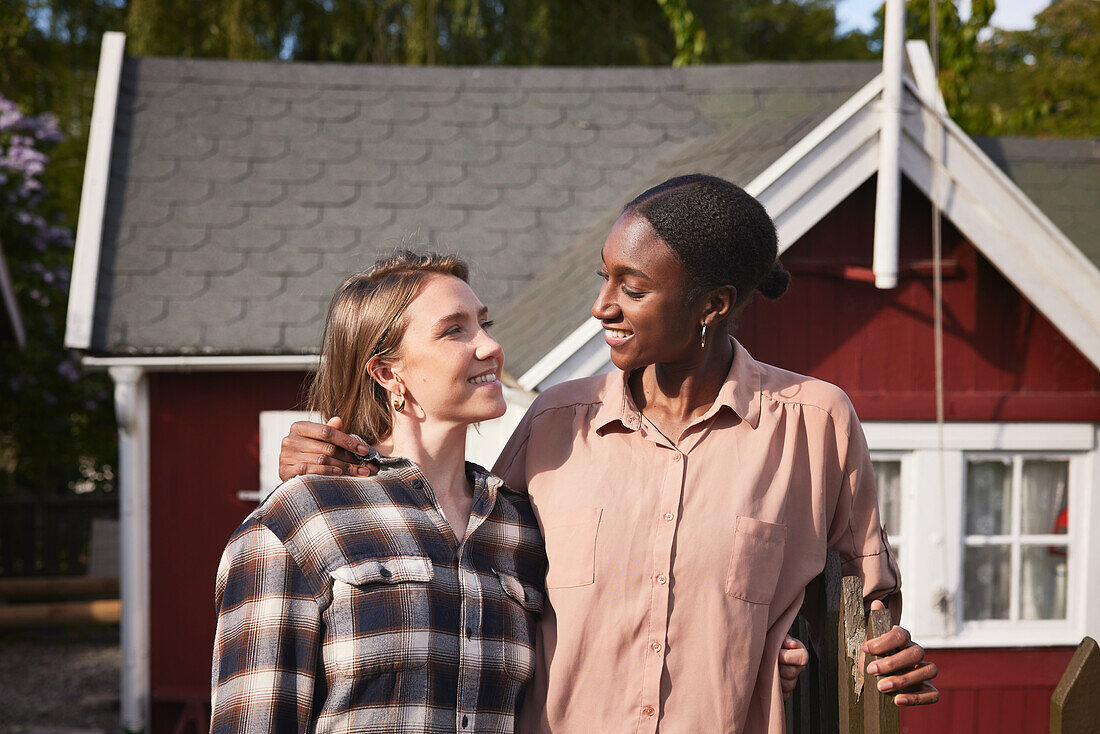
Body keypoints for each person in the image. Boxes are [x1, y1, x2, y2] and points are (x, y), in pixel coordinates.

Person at [277, 175, 939, 732]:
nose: (602, 307)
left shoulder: (815, 425)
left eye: (633, 288)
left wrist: (881, 653)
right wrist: (343, 467)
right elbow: (456, 536)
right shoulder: (557, 422)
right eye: (605, 279)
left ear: (712, 304)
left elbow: (860, 606)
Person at [210, 252, 547, 733]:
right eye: (455, 330)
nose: (490, 346)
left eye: (484, 324)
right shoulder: (302, 523)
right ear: (389, 373)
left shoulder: (520, 526)